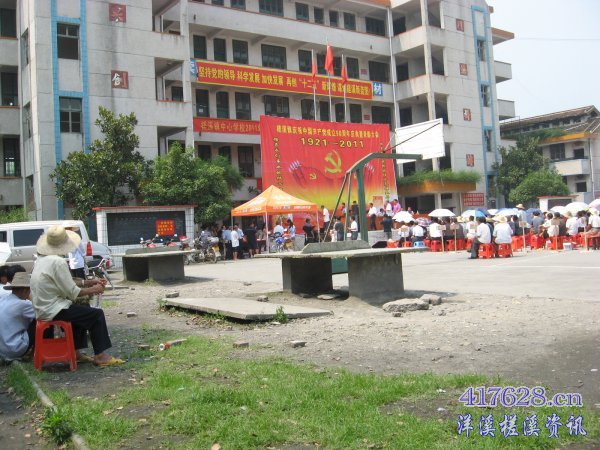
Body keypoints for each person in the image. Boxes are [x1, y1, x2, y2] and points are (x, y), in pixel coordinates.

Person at [30, 225, 123, 366]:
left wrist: (89, 282)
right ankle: (100, 355)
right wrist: (94, 289)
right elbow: (73, 292)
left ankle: (76, 353)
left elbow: (67, 281)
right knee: (96, 315)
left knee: (81, 312)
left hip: (43, 307)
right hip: (53, 309)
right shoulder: (57, 262)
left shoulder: (42, 260)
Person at [0, 272, 36, 361]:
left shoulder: (4, 300)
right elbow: (43, 313)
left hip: (2, 349)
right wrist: (31, 298)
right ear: (24, 290)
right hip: (14, 348)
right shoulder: (23, 304)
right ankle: (38, 353)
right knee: (42, 321)